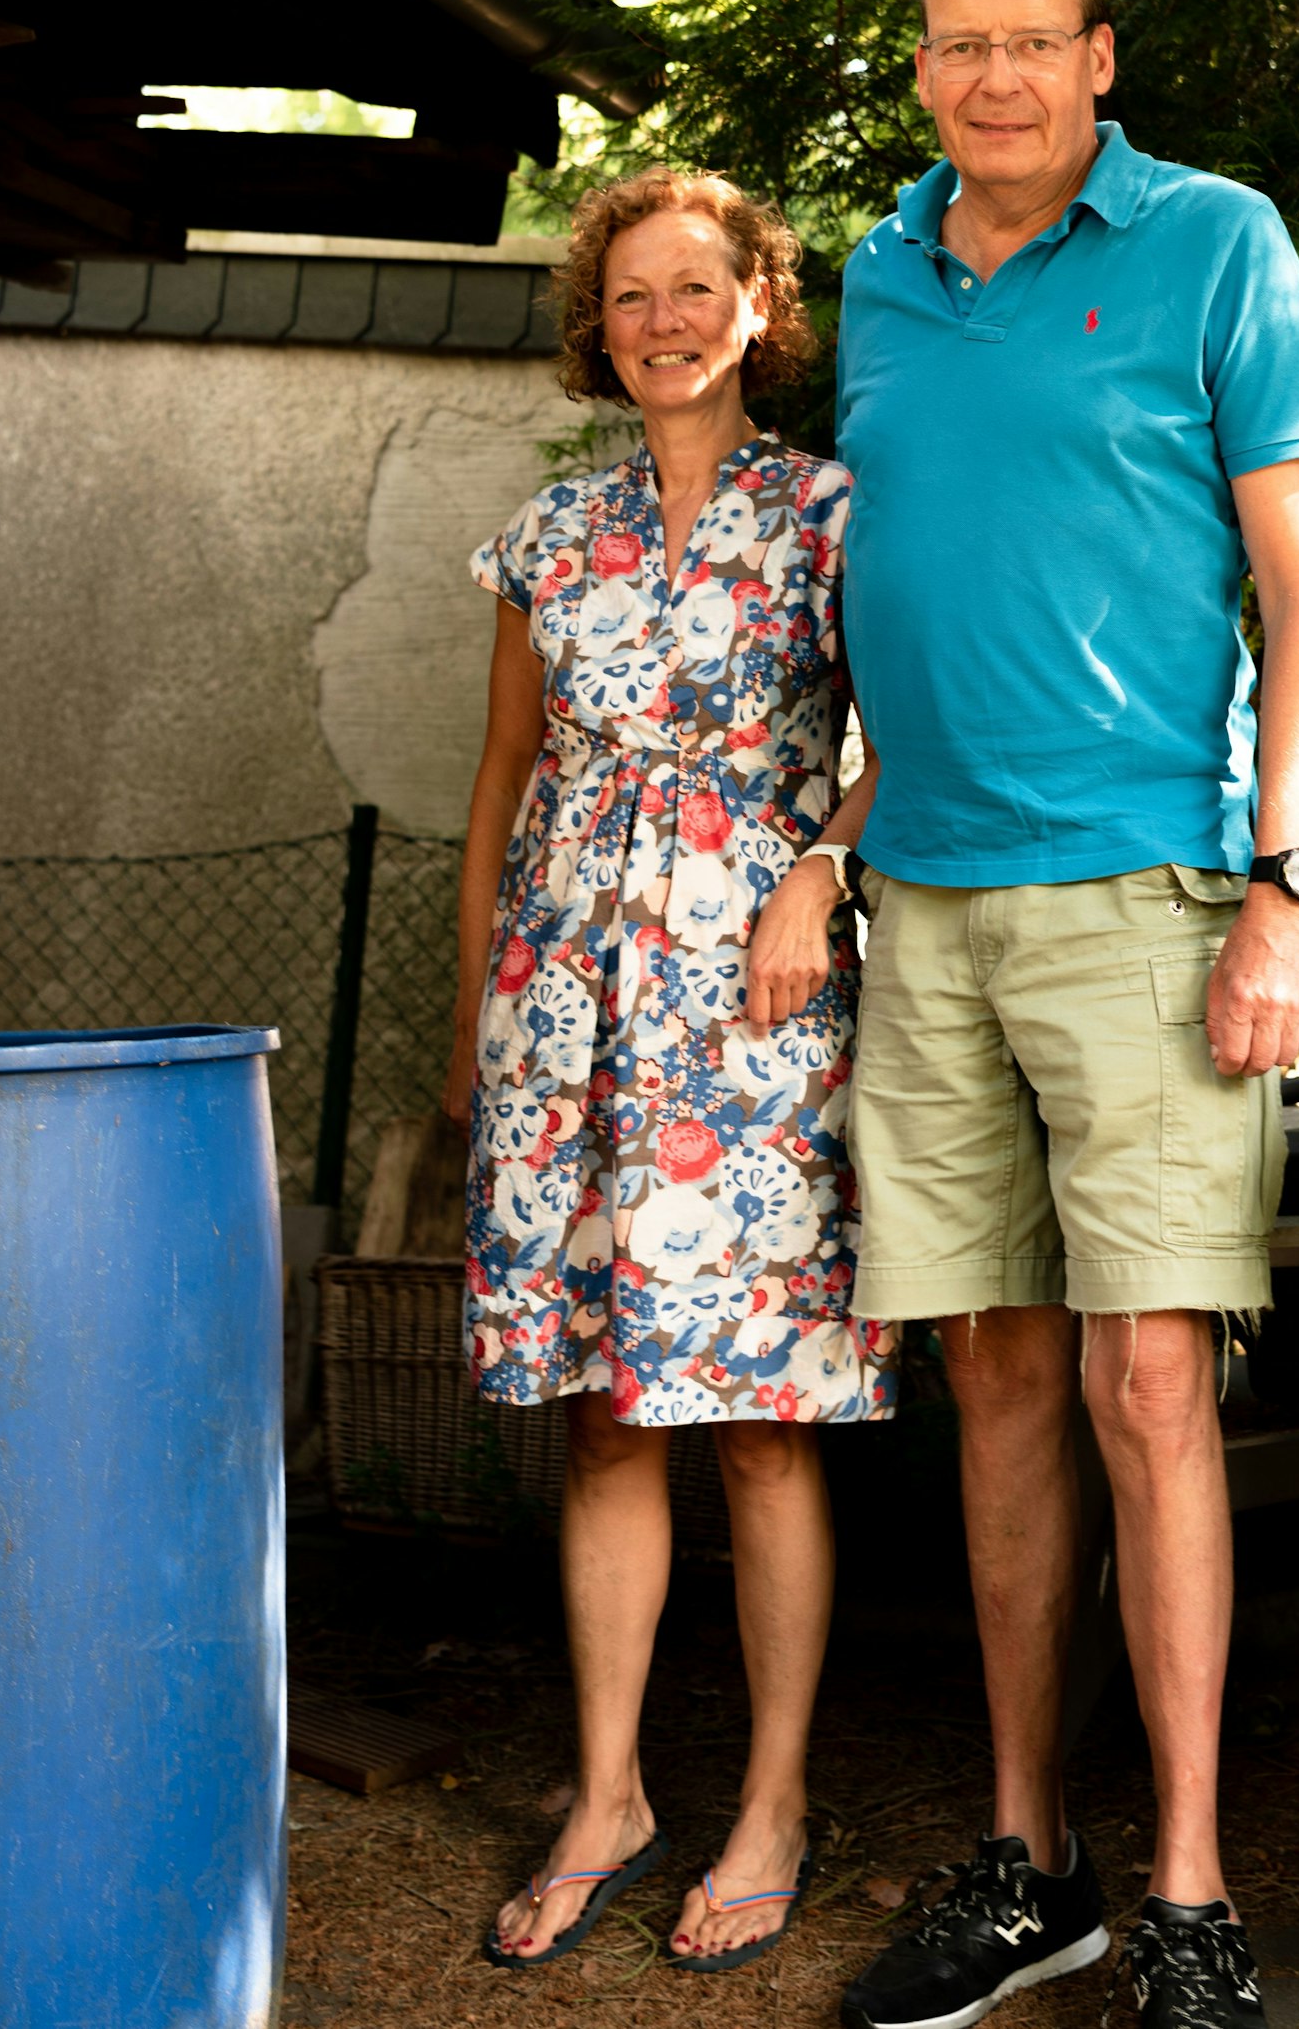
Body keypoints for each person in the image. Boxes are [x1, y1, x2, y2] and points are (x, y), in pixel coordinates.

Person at [834, 0, 1299, 2029]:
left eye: (1031, 43)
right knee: (995, 1379)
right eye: (957, 45)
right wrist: (828, 845)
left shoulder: (1213, 244)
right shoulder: (867, 276)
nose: (992, 81)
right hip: (924, 912)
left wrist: (1286, 888)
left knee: (1154, 1387)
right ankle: (1027, 1855)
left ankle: (1192, 1894)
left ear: (1102, 56)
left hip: (1154, 896)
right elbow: (866, 606)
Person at [445, 166, 896, 1978]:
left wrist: (821, 862)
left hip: (760, 1012)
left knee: (764, 1432)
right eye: (630, 297)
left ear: (758, 309)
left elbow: (901, 739)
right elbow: (500, 779)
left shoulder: (835, 511)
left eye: (696, 288)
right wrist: (486, 1010)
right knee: (609, 1414)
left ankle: (775, 1801)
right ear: (597, 328)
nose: (663, 321)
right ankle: (611, 1791)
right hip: (568, 1005)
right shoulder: (548, 534)